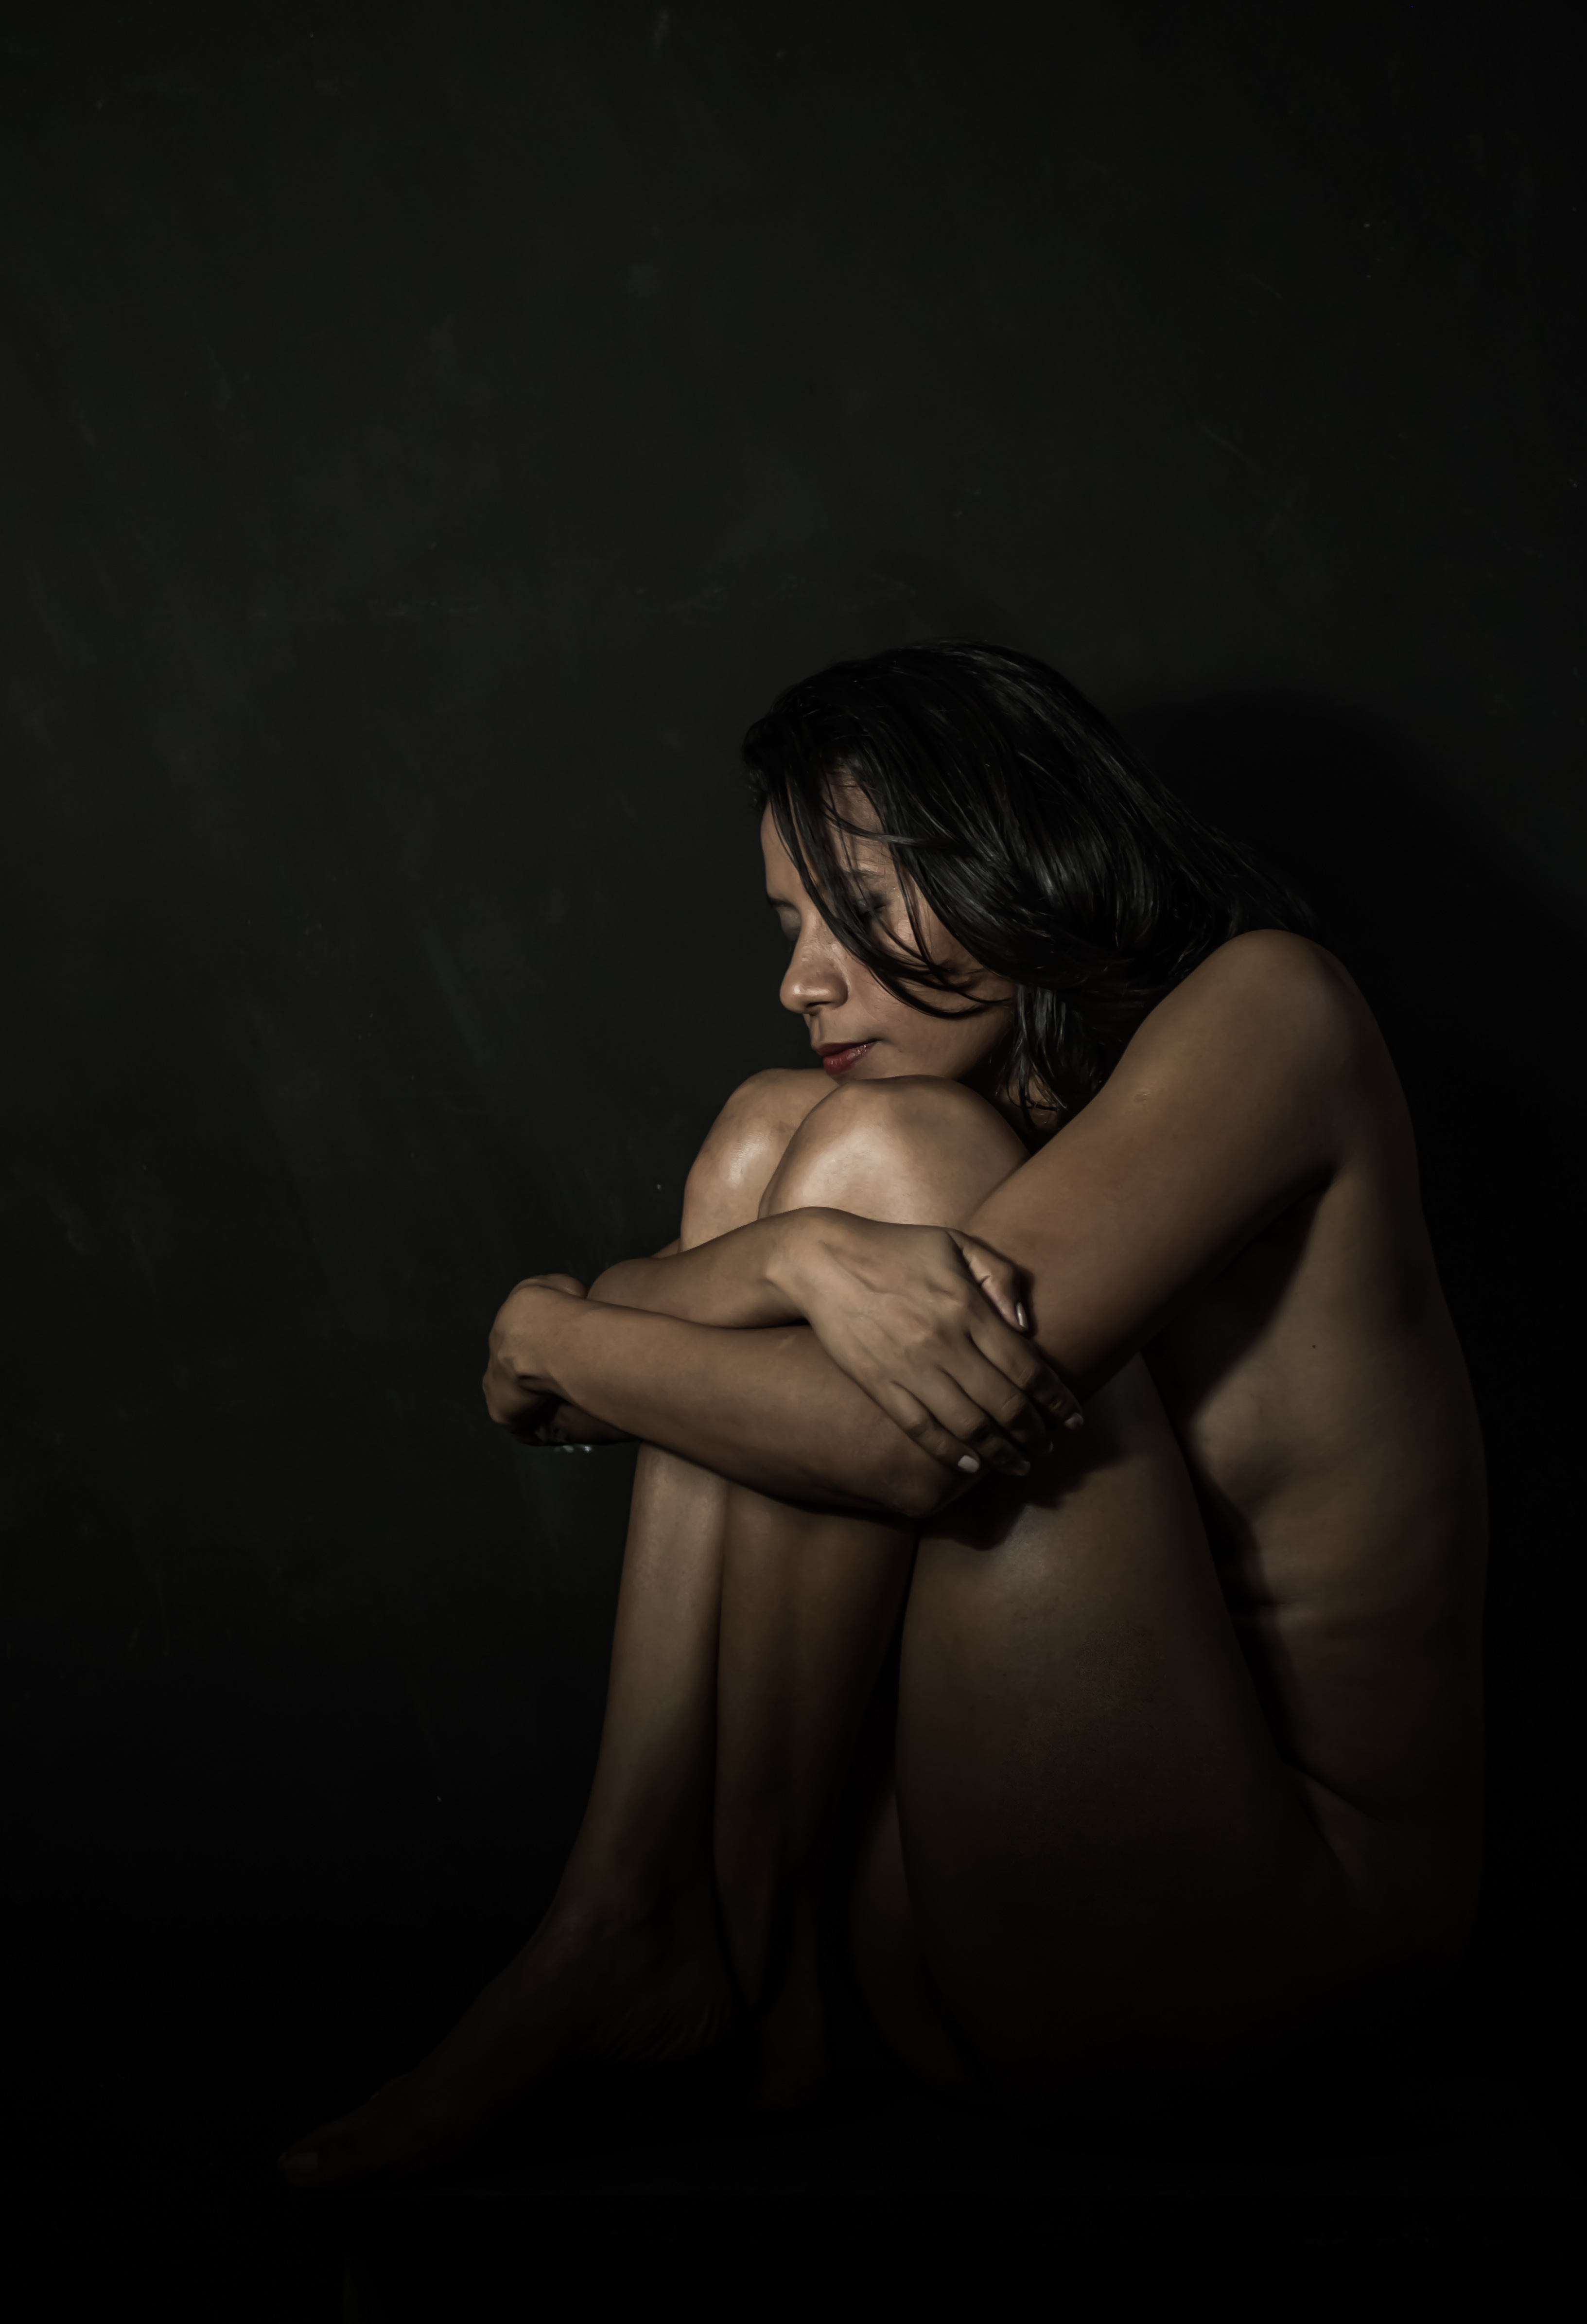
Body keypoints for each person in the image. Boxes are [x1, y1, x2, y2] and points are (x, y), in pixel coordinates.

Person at [279, 641, 1485, 2187]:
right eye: (789, 923)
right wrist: (784, 1257)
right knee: (776, 1136)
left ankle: (655, 1932)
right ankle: (670, 1926)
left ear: (1016, 846)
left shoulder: (1274, 1009)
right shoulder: (977, 1117)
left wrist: (542, 1329)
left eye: (854, 904)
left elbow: (899, 1447)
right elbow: (688, 1337)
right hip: (952, 1930)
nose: (801, 977)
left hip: (1256, 1960)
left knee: (878, 1158)